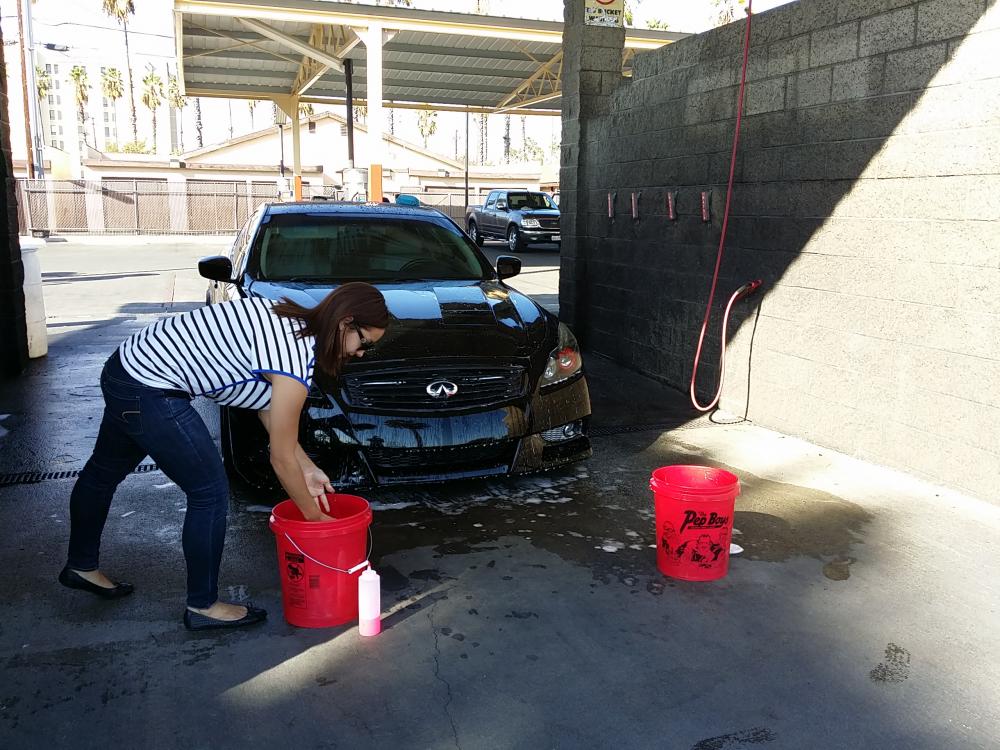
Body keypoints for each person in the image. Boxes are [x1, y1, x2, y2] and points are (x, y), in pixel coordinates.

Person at [59, 282, 390, 631]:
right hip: (151, 387)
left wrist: (308, 468)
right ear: (345, 322)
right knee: (209, 493)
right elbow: (280, 456)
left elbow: (270, 415)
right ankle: (203, 605)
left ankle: (81, 566)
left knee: (102, 473)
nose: (361, 353)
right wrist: (313, 518)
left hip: (124, 369)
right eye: (364, 342)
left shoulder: (287, 317)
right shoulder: (294, 356)